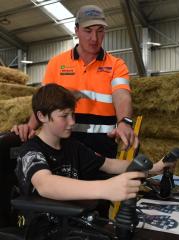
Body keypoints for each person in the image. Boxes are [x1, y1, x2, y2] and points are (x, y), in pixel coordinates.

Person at [12, 4, 135, 158]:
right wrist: (29, 127)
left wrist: (125, 122)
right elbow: (45, 101)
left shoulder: (117, 64)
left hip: (103, 151)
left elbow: (122, 95)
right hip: (63, 150)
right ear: (77, 30)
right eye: (88, 31)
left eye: (100, 31)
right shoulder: (57, 63)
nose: (94, 38)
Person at [15, 84, 170, 203]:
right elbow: (45, 184)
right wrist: (106, 188)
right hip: (43, 230)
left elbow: (109, 164)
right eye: (64, 116)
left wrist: (155, 168)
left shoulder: (72, 146)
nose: (72, 122)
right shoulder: (30, 150)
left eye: (73, 115)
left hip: (74, 224)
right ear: (41, 116)